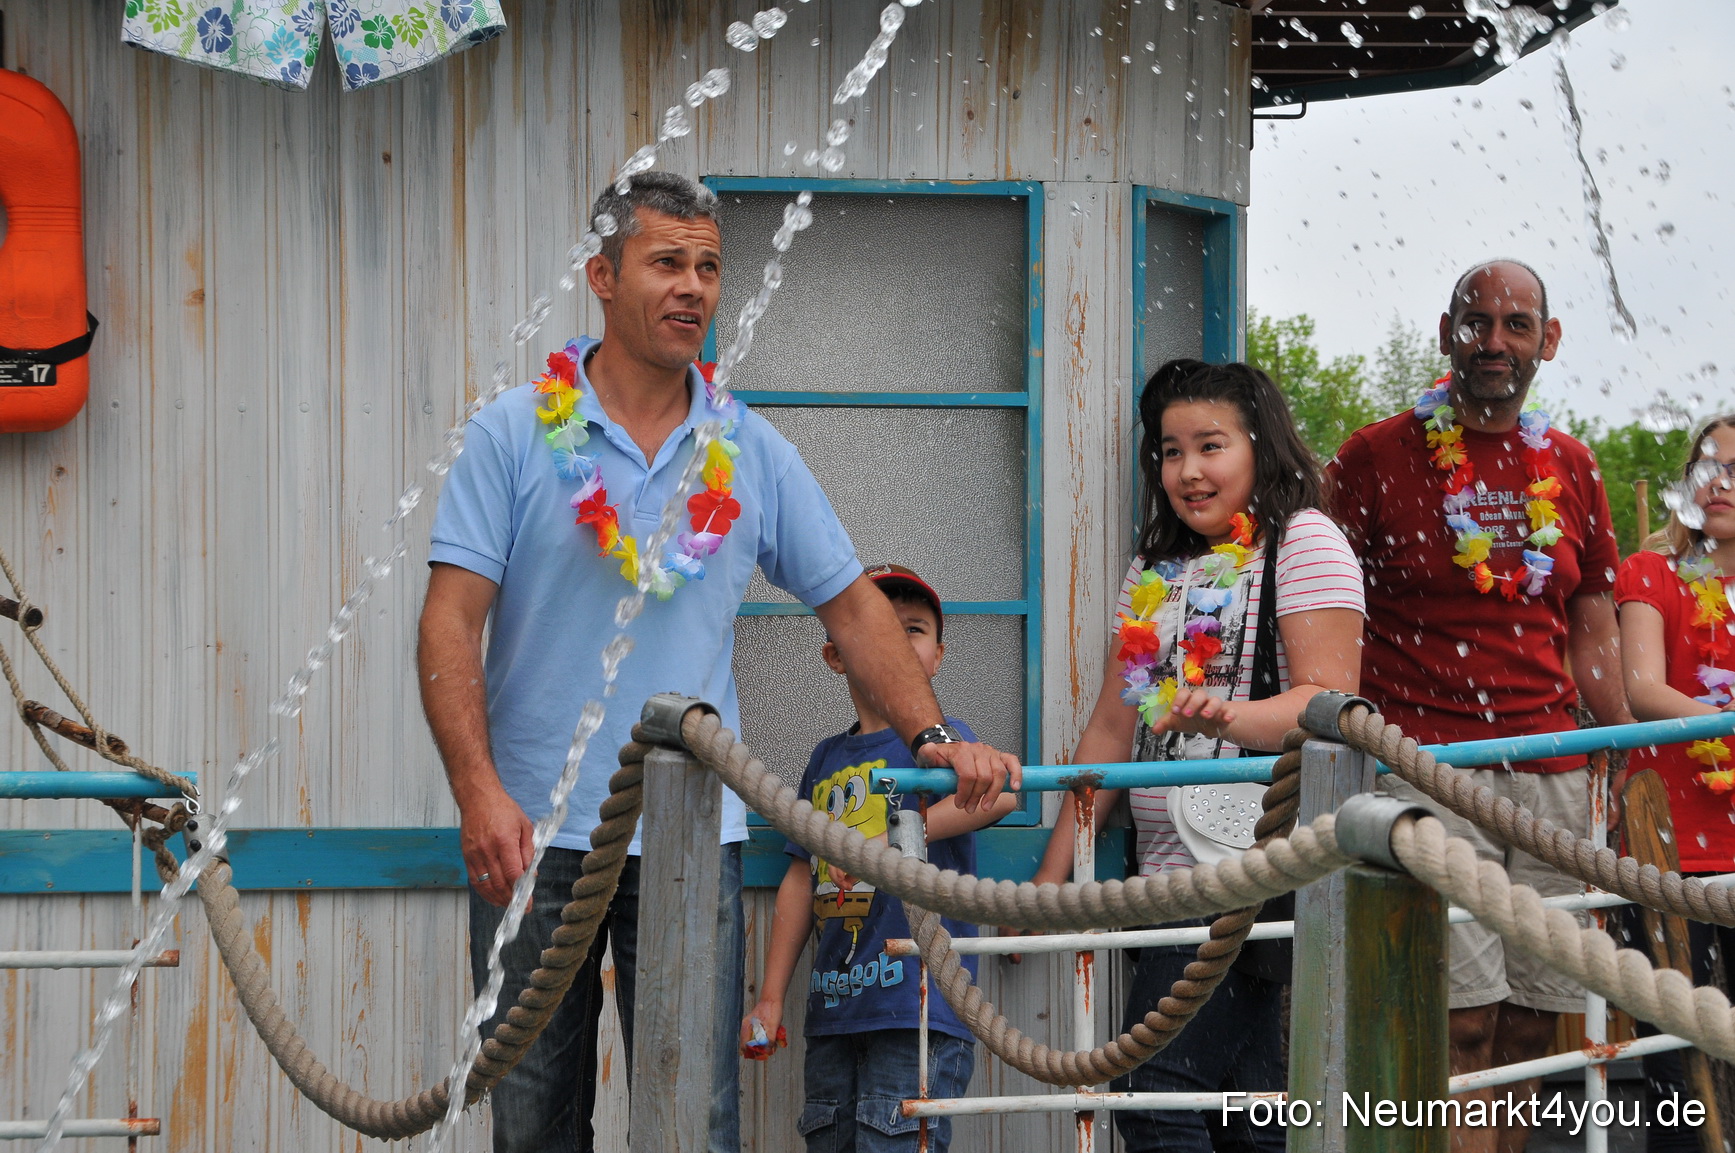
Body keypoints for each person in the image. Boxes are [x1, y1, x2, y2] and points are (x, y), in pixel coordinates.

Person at [418, 171, 1020, 1153]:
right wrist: (478, 791)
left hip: (693, 838)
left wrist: (934, 733)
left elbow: (853, 607)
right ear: (602, 277)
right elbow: (449, 624)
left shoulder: (747, 449)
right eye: (666, 263)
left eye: (707, 267)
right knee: (531, 1125)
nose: (693, 286)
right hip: (530, 836)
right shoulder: (513, 434)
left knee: (694, 1127)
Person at [1327, 259, 1629, 1153]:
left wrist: (1619, 747)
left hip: (1552, 776)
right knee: (1460, 1019)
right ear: (1444, 331)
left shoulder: (1570, 463)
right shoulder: (1372, 455)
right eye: (1476, 322)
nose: (1492, 342)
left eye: (1515, 324)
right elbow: (1328, 608)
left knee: (1536, 1026)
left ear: (1547, 340)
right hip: (1426, 768)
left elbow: (1590, 614)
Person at [1029, 359, 1365, 1153]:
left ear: (1260, 445)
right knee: (1241, 1112)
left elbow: (1331, 704)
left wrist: (1231, 714)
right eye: (1168, 451)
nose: (1186, 470)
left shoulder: (1304, 540)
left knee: (1157, 1099)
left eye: (1209, 445)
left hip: (1247, 870)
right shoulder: (1155, 571)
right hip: (1162, 877)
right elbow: (1112, 726)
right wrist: (1049, 880)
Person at [740, 563, 1017, 1153]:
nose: (897, 642)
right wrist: (769, 996)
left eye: (913, 630)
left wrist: (892, 843)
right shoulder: (825, 760)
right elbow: (799, 875)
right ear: (838, 656)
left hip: (916, 1003)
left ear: (937, 656)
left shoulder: (941, 745)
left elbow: (1002, 794)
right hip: (835, 1007)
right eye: (880, 630)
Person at [1613, 413, 1735, 1150]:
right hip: (1669, 850)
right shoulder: (1648, 572)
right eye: (1708, 465)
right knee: (1674, 1071)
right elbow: (1642, 689)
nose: (1720, 481)